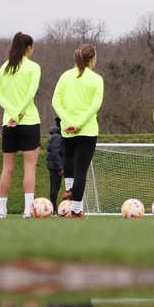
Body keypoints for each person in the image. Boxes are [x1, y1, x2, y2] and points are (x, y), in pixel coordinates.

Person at [52, 44, 104, 218]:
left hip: (68, 129)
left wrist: (68, 122)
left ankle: (68, 189)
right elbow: (95, 106)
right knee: (81, 168)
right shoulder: (96, 79)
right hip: (87, 130)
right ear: (93, 58)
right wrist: (79, 123)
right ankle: (76, 210)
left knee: (69, 156)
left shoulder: (65, 77)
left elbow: (55, 102)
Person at [0, 32, 42, 219]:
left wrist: (12, 114)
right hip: (28, 121)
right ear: (29, 48)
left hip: (9, 124)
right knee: (29, 167)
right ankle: (28, 210)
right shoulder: (34, 67)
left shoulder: (4, 68)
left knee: (7, 168)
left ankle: (2, 211)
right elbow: (31, 94)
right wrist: (20, 113)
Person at [46, 118, 64, 208]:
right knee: (55, 188)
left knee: (54, 187)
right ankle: (54, 208)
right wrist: (59, 168)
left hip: (53, 165)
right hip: (56, 166)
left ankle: (54, 208)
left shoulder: (54, 136)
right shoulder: (58, 137)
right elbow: (55, 153)